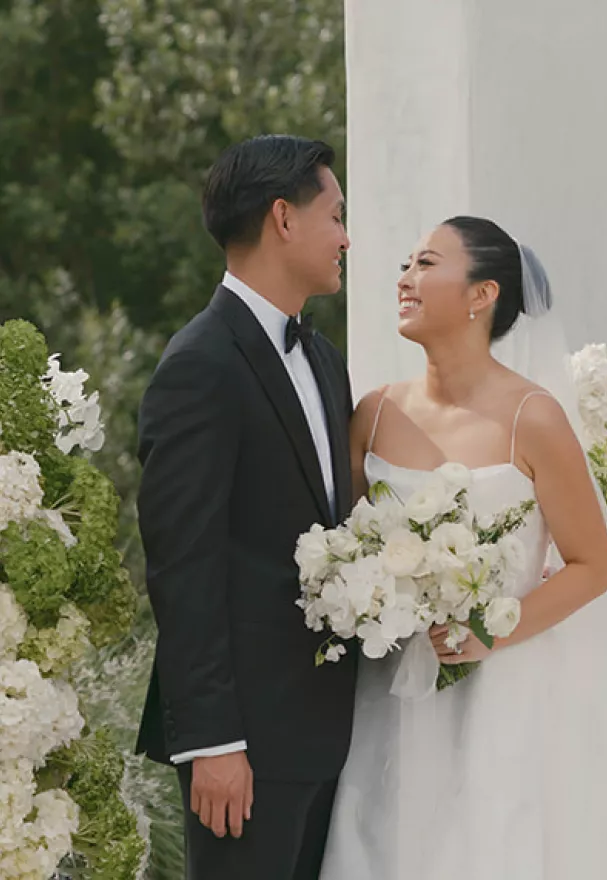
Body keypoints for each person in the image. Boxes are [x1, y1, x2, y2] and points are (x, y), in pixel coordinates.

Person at [320, 217, 607, 879]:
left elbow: (593, 565)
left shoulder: (531, 417)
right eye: (406, 264)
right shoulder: (374, 412)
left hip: (502, 698)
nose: (404, 279)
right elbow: (343, 544)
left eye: (426, 264)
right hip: (391, 696)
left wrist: (488, 633)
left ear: (481, 295)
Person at [135, 135, 357, 880]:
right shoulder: (200, 364)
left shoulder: (324, 360)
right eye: (336, 215)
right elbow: (182, 564)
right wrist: (213, 742)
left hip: (330, 735)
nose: (346, 238)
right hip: (247, 747)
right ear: (283, 219)